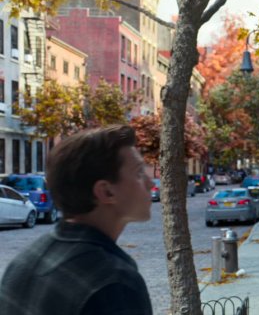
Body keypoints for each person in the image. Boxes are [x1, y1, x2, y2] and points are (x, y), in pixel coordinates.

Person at [0, 125, 154, 315]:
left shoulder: (22, 262)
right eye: (139, 172)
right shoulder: (114, 283)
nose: (150, 183)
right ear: (106, 191)